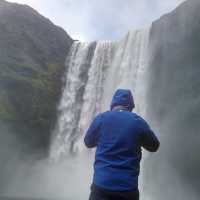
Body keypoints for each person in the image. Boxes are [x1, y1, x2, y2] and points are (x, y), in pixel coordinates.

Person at [84, 89, 160, 200]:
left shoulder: (101, 119)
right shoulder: (138, 122)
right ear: (131, 106)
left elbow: (88, 142)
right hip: (127, 189)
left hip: (101, 186)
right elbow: (154, 146)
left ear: (113, 104)